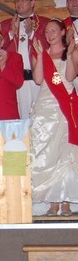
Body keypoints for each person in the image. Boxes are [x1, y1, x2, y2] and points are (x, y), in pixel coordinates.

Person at [30, 19, 78, 216]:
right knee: (47, 153)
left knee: (65, 153)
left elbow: (70, 77)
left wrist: (72, 53)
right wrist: (40, 55)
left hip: (65, 105)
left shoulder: (72, 51)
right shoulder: (41, 53)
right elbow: (38, 79)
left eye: (53, 31)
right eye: (47, 31)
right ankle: (53, 200)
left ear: (62, 32)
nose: (50, 35)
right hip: (45, 107)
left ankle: (65, 200)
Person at [1, 0, 49, 119]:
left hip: (38, 80)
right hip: (14, 81)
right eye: (17, 1)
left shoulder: (44, 23)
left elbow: (49, 48)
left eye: (23, 0)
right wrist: (11, 33)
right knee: (19, 119)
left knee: (40, 117)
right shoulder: (5, 25)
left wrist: (32, 34)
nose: (19, 4)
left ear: (32, 3)